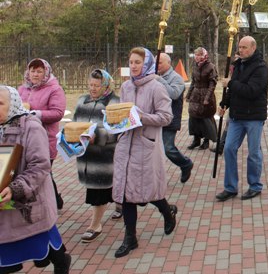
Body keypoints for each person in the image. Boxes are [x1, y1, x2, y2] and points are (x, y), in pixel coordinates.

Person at [0, 86, 71, 274]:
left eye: (0, 103)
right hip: (4, 204)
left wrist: (15, 189)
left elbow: (40, 165)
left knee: (42, 238)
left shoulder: (30, 127)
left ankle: (62, 263)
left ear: (12, 104)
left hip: (30, 202)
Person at [112, 47, 176, 258]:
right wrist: (115, 121)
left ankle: (167, 211)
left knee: (148, 190)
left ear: (146, 64)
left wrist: (141, 117)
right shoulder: (125, 87)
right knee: (126, 193)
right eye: (131, 62)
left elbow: (166, 117)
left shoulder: (156, 87)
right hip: (125, 145)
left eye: (137, 62)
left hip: (145, 146)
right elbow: (123, 113)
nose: (133, 66)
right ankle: (130, 237)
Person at [216, 36, 268, 201]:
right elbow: (232, 91)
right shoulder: (238, 65)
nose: (241, 50)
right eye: (239, 47)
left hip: (254, 116)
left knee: (253, 152)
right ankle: (230, 187)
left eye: (244, 47)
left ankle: (255, 186)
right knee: (228, 148)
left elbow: (252, 91)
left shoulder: (261, 68)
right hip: (236, 116)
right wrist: (224, 103)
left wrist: (231, 83)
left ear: (253, 48)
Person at [72, 69, 120, 243]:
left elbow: (117, 130)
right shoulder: (82, 100)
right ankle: (121, 204)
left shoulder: (114, 102)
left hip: (104, 156)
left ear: (105, 85)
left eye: (97, 86)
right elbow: (74, 123)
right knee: (109, 188)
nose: (92, 88)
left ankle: (95, 225)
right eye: (90, 85)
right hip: (85, 155)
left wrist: (97, 136)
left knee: (98, 191)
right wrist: (70, 135)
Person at [18, 58, 66, 210]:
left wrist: (36, 113)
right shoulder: (22, 89)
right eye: (33, 71)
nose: (35, 74)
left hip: (45, 139)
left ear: (46, 72)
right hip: (24, 138)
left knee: (43, 173)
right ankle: (55, 201)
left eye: (39, 71)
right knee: (37, 173)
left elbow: (58, 113)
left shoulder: (54, 89)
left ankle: (50, 203)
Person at [156, 53, 194, 183]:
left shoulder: (176, 78)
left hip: (170, 119)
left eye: (160, 62)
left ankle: (185, 164)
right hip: (156, 118)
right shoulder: (154, 77)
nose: (157, 65)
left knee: (168, 148)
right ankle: (156, 177)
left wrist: (159, 80)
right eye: (156, 62)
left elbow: (174, 94)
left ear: (169, 63)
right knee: (154, 150)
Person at [185, 47, 218, 151]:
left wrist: (207, 98)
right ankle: (196, 140)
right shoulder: (195, 66)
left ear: (204, 55)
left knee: (205, 119)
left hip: (205, 95)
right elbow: (193, 82)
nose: (197, 57)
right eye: (196, 55)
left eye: (199, 55)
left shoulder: (210, 67)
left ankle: (206, 141)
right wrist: (188, 95)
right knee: (193, 117)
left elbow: (212, 84)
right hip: (195, 95)